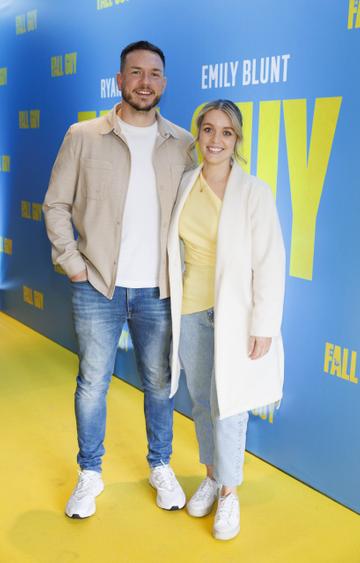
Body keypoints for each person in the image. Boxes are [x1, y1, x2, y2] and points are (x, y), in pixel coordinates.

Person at [43, 40, 195, 519]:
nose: (145, 82)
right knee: (92, 382)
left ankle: (161, 465)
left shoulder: (184, 144)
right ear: (119, 80)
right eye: (135, 72)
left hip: (158, 289)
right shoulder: (83, 135)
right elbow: (55, 204)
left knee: (159, 382)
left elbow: (197, 217)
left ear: (164, 83)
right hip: (98, 287)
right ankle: (90, 473)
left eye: (154, 73)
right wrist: (71, 262)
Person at [167, 100, 285, 540]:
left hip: (237, 314)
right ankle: (212, 475)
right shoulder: (183, 184)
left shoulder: (254, 191)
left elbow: (270, 261)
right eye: (209, 130)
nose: (216, 140)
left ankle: (230, 494)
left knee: (230, 404)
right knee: (200, 400)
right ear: (197, 134)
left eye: (227, 132)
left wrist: (264, 325)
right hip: (190, 308)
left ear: (237, 140)